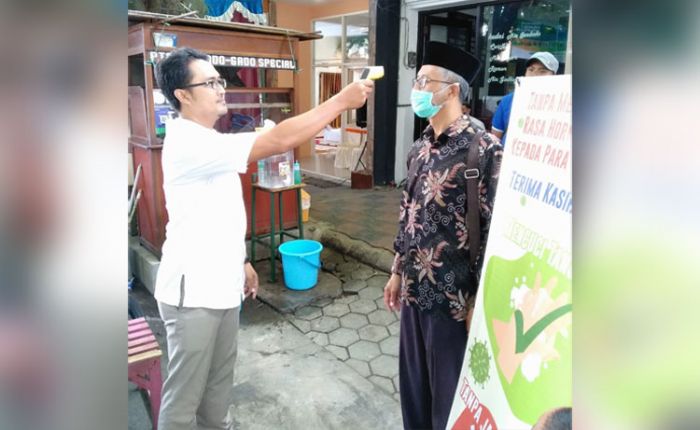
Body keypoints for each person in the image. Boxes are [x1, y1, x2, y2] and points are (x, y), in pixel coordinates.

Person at [153, 47, 372, 430]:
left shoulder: (210, 141)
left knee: (218, 388)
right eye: (209, 83)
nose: (221, 88)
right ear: (182, 96)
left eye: (219, 80)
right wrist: (340, 101)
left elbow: (217, 214)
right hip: (193, 297)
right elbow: (279, 140)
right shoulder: (188, 142)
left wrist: (242, 260)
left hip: (222, 286)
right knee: (184, 400)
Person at [383, 41, 503, 430]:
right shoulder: (419, 148)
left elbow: (493, 232)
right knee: (414, 391)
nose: (417, 88)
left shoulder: (482, 150)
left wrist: (478, 302)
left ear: (451, 91)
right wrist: (397, 270)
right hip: (416, 292)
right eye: (417, 80)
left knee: (448, 399)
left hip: (454, 301)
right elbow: (408, 214)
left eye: (424, 81)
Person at [491, 51, 559, 145]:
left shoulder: (561, 104)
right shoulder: (508, 101)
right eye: (531, 70)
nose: (535, 75)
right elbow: (495, 138)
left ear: (554, 75)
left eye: (542, 71)